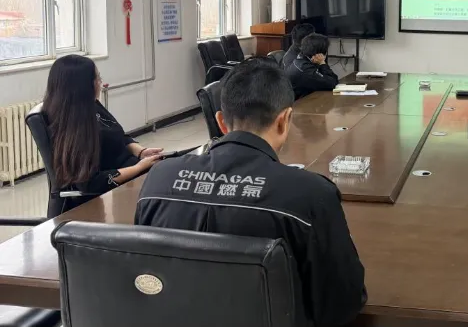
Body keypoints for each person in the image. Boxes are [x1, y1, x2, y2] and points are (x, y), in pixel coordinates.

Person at [135, 58, 367, 327]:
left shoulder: (158, 179)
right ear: (284, 120)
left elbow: (142, 275)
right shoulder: (312, 194)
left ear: (221, 122)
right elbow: (344, 302)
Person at [42, 55, 163, 213]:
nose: (100, 83)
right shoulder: (75, 129)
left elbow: (119, 136)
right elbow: (90, 183)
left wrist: (141, 151)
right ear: (84, 86)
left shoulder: (91, 105)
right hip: (120, 186)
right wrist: (138, 168)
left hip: (134, 171)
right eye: (97, 79)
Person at [285, 33, 339, 100]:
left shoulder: (302, 59)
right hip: (298, 104)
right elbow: (332, 83)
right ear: (319, 53)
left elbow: (333, 80)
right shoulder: (305, 69)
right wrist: (322, 63)